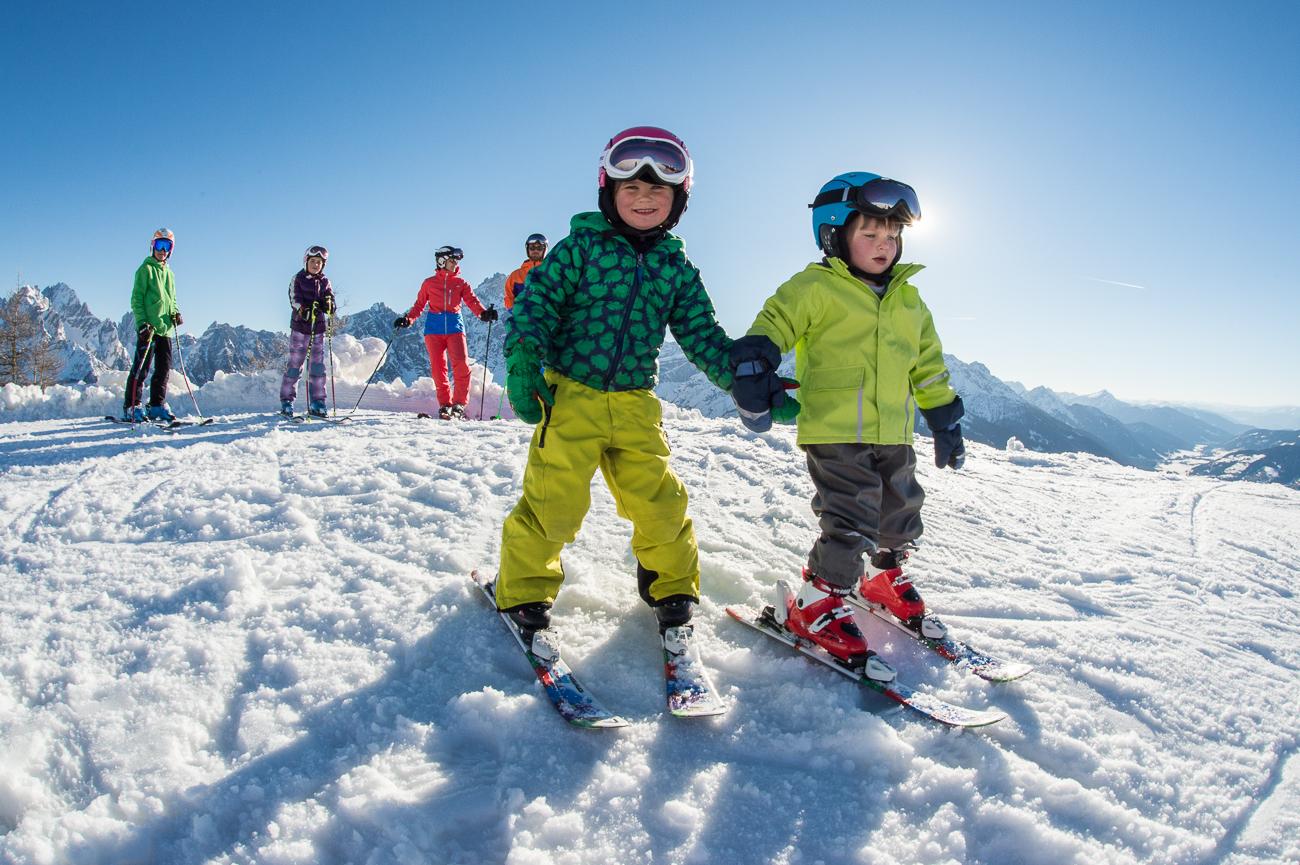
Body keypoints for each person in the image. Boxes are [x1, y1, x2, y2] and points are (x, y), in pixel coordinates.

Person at [494, 126, 733, 655]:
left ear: (679, 199)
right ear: (609, 191)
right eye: (631, 188)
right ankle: (523, 592)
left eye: (659, 189)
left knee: (661, 503)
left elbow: (703, 335)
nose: (644, 197)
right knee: (554, 504)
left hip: (633, 403)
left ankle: (671, 589)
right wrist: (524, 359)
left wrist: (745, 379)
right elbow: (536, 306)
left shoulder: (675, 268)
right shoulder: (579, 249)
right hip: (569, 396)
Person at [730, 172, 966, 683]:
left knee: (901, 508)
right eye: (871, 234)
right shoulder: (816, 287)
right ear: (834, 234)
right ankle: (815, 602)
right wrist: (754, 360)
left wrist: (944, 416)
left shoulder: (910, 301)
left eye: (893, 236)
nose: (885, 246)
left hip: (894, 432)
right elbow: (775, 322)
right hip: (835, 431)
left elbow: (928, 366)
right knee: (851, 514)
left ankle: (881, 579)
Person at [394, 246, 495, 420]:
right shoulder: (429, 283)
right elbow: (419, 306)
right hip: (434, 329)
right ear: (441, 261)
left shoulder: (461, 283)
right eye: (452, 260)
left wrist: (483, 313)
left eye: (456, 261)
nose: (455, 263)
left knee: (461, 365)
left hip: (455, 327)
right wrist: (408, 319)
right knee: (438, 369)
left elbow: (472, 301)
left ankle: (459, 404)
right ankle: (445, 405)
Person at [123, 228, 182, 423]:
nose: (162, 250)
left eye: (167, 246)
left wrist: (175, 313)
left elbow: (171, 299)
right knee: (142, 368)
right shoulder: (145, 270)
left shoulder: (170, 274)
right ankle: (132, 406)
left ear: (171, 250)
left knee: (163, 369)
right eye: (159, 245)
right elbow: (136, 299)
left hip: (165, 328)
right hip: (148, 329)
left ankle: (156, 405)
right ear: (152, 246)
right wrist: (142, 324)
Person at [279, 245, 336, 418]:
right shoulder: (298, 278)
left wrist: (329, 305)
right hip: (300, 328)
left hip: (318, 329)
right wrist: (304, 310)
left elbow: (331, 301)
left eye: (319, 262)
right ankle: (287, 401)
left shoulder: (325, 281)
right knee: (295, 365)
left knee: (317, 367)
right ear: (306, 261)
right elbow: (294, 299)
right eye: (313, 261)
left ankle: (318, 402)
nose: (316, 265)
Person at [503, 233, 547, 311]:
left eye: (539, 248)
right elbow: (509, 299)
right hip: (524, 319)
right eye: (532, 247)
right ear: (527, 249)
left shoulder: (552, 272)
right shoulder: (515, 276)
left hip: (547, 318)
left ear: (544, 250)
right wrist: (519, 313)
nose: (535, 250)